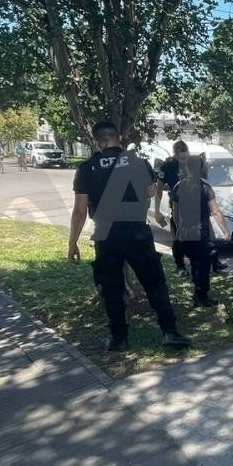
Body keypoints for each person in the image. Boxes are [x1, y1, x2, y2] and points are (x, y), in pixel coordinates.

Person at [68, 121, 190, 351]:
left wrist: (72, 243)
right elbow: (149, 193)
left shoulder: (87, 167)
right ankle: (170, 332)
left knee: (111, 287)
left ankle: (118, 339)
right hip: (136, 231)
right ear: (117, 138)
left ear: (98, 141)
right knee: (155, 282)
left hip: (106, 234)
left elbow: (79, 212)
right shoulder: (140, 163)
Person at [172, 155, 227, 308]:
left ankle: (197, 294)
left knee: (195, 263)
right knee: (202, 265)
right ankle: (202, 296)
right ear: (201, 168)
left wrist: (178, 230)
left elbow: (175, 214)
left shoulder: (178, 186)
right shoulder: (205, 188)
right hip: (201, 233)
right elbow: (216, 211)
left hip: (185, 233)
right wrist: (226, 230)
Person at [153, 140, 189, 276]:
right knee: (178, 236)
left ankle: (212, 262)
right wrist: (157, 211)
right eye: (181, 156)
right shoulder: (167, 166)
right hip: (177, 204)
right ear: (176, 153)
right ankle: (180, 266)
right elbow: (159, 189)